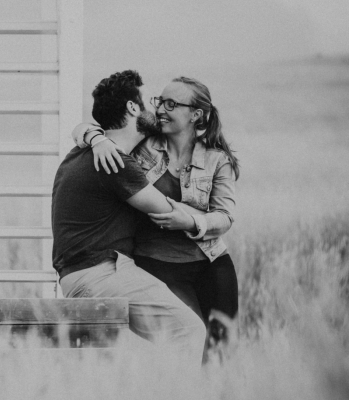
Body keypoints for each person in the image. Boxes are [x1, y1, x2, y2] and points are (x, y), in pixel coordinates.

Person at [52, 70, 207, 365]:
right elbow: (165, 210)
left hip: (84, 276)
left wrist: (92, 134)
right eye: (151, 101)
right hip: (100, 273)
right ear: (133, 108)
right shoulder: (114, 162)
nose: (159, 109)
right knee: (187, 331)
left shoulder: (83, 152)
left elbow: (81, 129)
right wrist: (208, 220)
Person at [72, 76, 239, 346]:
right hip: (158, 265)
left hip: (211, 265)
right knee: (186, 337)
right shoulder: (142, 146)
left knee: (221, 351)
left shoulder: (217, 160)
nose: (160, 109)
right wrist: (96, 139)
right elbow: (88, 128)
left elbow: (225, 217)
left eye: (171, 104)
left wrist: (191, 222)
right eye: (160, 101)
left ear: (195, 114)